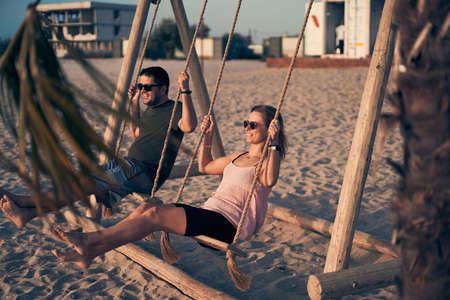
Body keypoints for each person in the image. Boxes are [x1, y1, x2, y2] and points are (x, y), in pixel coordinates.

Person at [50, 105, 287, 268]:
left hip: (227, 226)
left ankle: (91, 240)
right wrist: (208, 136)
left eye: (254, 125)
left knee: (154, 214)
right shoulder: (238, 156)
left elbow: (269, 181)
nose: (247, 127)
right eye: (246, 123)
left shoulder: (266, 162)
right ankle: (91, 252)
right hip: (208, 214)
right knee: (147, 208)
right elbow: (205, 166)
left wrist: (274, 145)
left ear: (270, 129)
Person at [0, 66, 197, 227]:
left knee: (81, 186)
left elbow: (189, 126)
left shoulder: (175, 109)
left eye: (147, 87)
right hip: (127, 166)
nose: (143, 91)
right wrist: (134, 103)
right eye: (140, 86)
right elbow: (137, 133)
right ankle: (28, 214)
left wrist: (185, 90)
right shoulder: (150, 109)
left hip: (142, 172)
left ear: (163, 89)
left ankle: (24, 201)